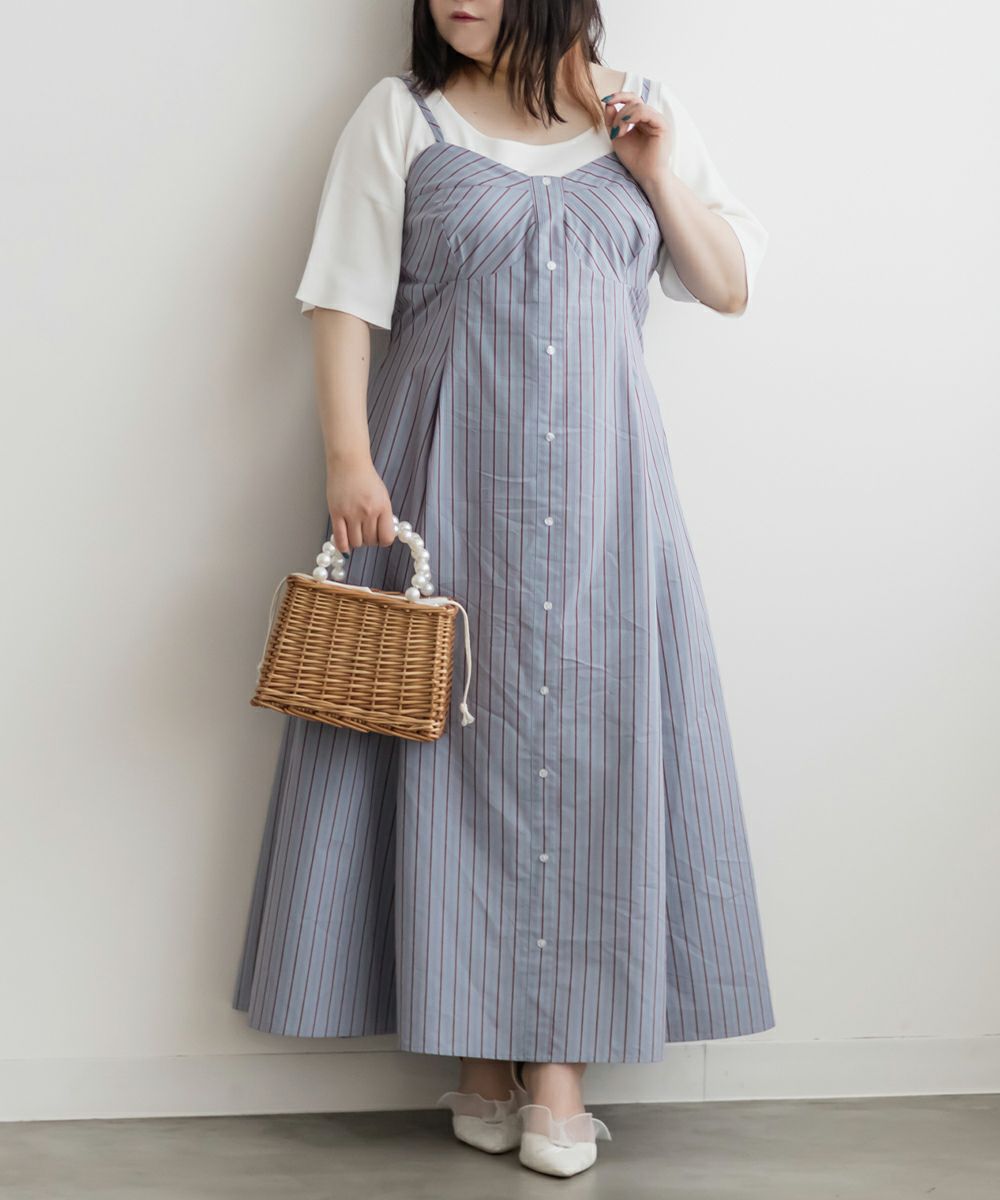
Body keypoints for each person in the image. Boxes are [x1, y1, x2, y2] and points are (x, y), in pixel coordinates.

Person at [234, 0, 776, 1179]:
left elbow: (729, 285)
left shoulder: (644, 110)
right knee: (447, 743)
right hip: (439, 475)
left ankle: (557, 1077)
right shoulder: (404, 116)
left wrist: (654, 169)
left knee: (594, 749)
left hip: (605, 497)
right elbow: (343, 294)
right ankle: (478, 1057)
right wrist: (347, 460)